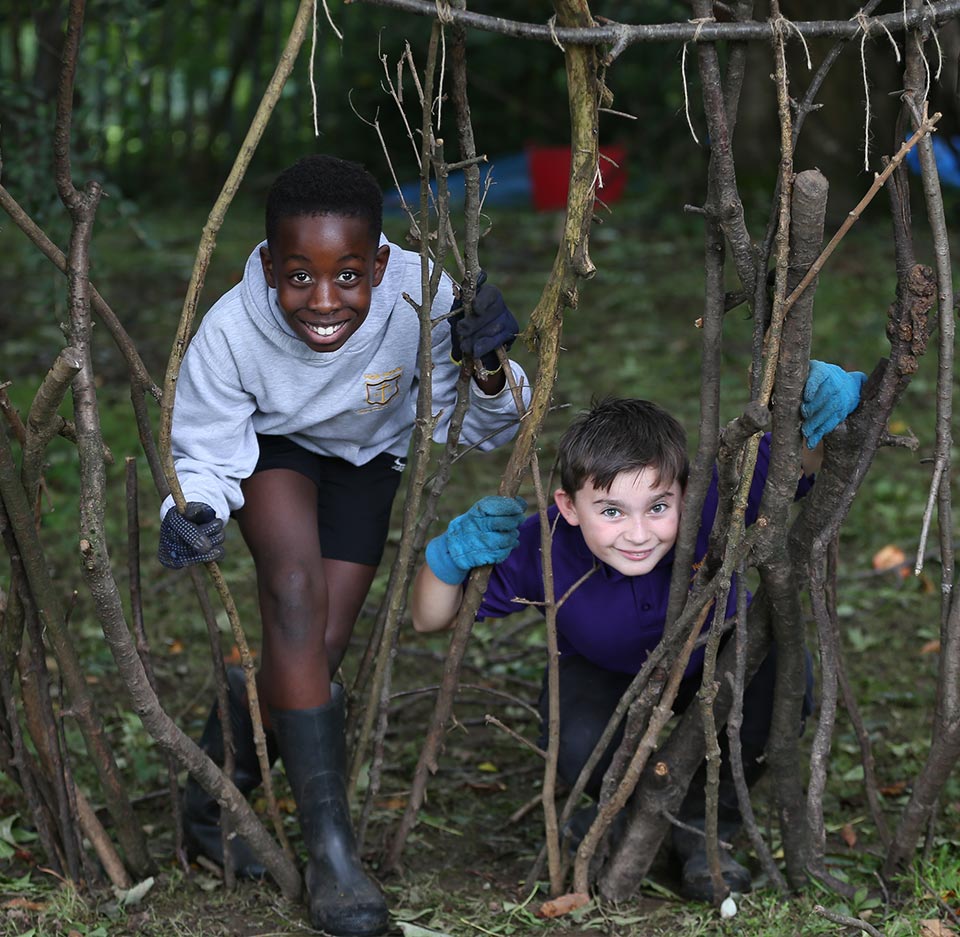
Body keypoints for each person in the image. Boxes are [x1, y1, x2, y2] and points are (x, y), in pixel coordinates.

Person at [157, 154, 531, 936]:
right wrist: (194, 509)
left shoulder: (423, 296)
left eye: (348, 276)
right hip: (272, 450)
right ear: (269, 266)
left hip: (368, 459)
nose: (324, 301)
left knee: (315, 653)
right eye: (299, 277)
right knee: (295, 595)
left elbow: (475, 426)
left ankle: (212, 799)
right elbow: (205, 447)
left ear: (380, 265)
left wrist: (490, 367)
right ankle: (332, 854)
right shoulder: (230, 331)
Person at [410, 361, 865, 902]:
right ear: (568, 507)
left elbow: (803, 456)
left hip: (716, 653)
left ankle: (706, 826)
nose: (638, 533)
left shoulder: (714, 503)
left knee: (781, 675)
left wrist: (823, 403)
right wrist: (449, 556)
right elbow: (430, 618)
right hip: (604, 672)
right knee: (574, 736)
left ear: (684, 493)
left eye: (658, 507)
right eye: (611, 511)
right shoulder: (543, 546)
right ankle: (626, 810)